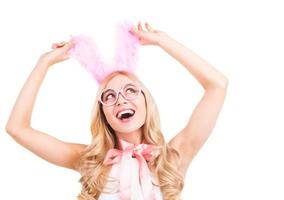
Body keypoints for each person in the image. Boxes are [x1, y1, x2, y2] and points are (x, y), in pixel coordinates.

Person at [5, 21, 228, 200]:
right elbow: (17, 129)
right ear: (104, 115)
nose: (120, 100)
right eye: (109, 96)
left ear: (146, 100)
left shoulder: (173, 157)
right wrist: (43, 64)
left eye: (130, 90)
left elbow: (217, 85)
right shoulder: (89, 161)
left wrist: (162, 41)